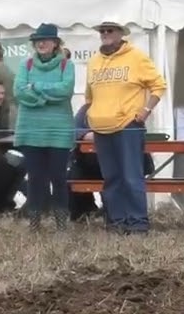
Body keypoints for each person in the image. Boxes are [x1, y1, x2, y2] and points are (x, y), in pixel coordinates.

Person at [85, 21, 168, 234]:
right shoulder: (94, 61)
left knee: (131, 176)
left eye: (110, 30)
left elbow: (159, 85)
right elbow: (89, 96)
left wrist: (146, 110)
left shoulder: (137, 57)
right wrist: (90, 116)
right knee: (111, 177)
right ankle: (117, 221)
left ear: (121, 34)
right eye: (102, 30)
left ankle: (138, 223)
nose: (105, 34)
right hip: (101, 127)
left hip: (128, 125)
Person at [12, 23, 76, 230]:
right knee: (35, 178)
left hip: (59, 130)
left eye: (45, 40)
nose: (41, 43)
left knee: (58, 177)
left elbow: (65, 90)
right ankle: (34, 223)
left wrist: (37, 87)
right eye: (37, 40)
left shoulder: (67, 65)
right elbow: (19, 91)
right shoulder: (26, 64)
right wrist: (44, 100)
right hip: (31, 130)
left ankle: (61, 225)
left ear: (55, 43)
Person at [0, 81, 23, 213]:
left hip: (4, 150)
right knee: (6, 165)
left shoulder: (8, 110)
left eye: (2, 93)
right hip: (0, 154)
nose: (0, 96)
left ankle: (5, 204)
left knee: (21, 164)